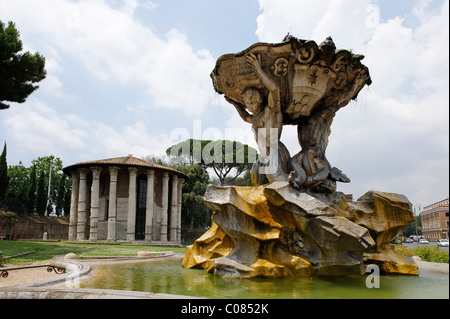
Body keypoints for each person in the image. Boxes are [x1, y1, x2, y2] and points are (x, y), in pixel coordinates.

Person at [225, 53, 290, 184]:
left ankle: (294, 185)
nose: (250, 107)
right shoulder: (255, 119)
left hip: (276, 151)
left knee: (274, 177)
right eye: (247, 104)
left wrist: (258, 70)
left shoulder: (271, 111)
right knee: (255, 178)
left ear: (260, 99)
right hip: (265, 155)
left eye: (252, 103)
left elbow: (275, 89)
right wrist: (235, 103)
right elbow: (245, 117)